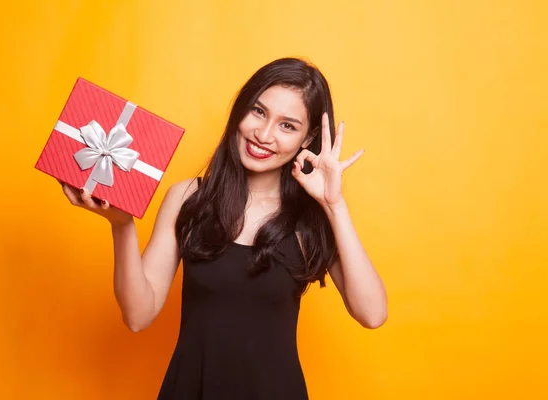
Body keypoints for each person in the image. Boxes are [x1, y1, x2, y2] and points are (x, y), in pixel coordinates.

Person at [60, 57, 388, 399]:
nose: (263, 134)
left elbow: (373, 314)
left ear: (308, 140)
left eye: (287, 126)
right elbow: (138, 316)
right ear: (241, 109)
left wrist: (334, 206)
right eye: (258, 112)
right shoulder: (188, 198)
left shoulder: (312, 219)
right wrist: (121, 224)